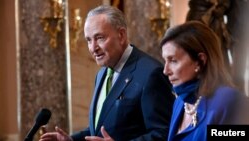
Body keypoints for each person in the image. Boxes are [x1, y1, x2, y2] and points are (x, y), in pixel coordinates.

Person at [39, 5, 175, 141]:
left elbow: (163, 133)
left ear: (121, 35)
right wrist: (71, 140)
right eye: (89, 40)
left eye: (100, 38)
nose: (93, 48)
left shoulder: (150, 73)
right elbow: (100, 129)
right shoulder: (102, 73)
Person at [160, 21, 247, 141]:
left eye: (173, 60)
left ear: (200, 61)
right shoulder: (180, 102)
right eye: (165, 60)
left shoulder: (230, 101)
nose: (165, 70)